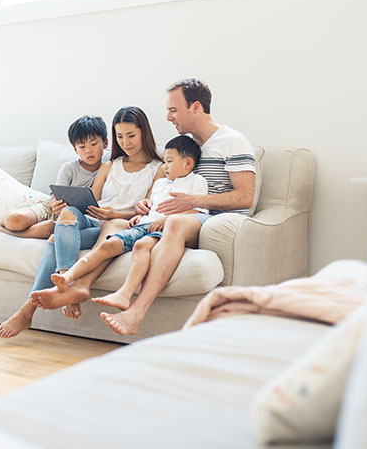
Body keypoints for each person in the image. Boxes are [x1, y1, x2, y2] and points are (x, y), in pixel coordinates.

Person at [101, 78, 256, 335]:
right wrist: (148, 204)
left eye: (173, 110)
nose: (168, 117)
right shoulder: (186, 148)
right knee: (137, 232)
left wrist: (193, 202)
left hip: (218, 219)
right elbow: (166, 186)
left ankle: (136, 313)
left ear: (195, 107)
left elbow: (244, 198)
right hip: (185, 217)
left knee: (174, 222)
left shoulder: (232, 141)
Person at [0, 106, 164, 338]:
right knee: (69, 213)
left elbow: (147, 213)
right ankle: (65, 279)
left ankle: (27, 311)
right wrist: (73, 206)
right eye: (120, 136)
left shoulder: (159, 169)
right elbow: (90, 203)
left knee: (56, 238)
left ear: (144, 133)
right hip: (95, 222)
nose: (125, 142)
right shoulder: (109, 165)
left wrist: (115, 214)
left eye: (131, 135)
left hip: (120, 226)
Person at [50, 135, 207, 312]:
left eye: (169, 161)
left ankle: (124, 294)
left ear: (187, 163)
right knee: (109, 243)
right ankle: (68, 277)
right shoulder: (161, 183)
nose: (165, 166)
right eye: (164, 161)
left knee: (141, 246)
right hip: (143, 225)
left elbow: (199, 211)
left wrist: (166, 219)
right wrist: (139, 216)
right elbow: (152, 208)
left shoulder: (197, 181)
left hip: (161, 229)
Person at [0, 116, 108, 240]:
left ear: (105, 143)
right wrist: (56, 205)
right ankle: (0, 222)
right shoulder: (69, 168)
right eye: (82, 146)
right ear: (75, 150)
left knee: (50, 229)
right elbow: (55, 197)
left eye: (94, 144)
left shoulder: (110, 169)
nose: (88, 151)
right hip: (50, 209)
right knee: (15, 220)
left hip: (73, 220)